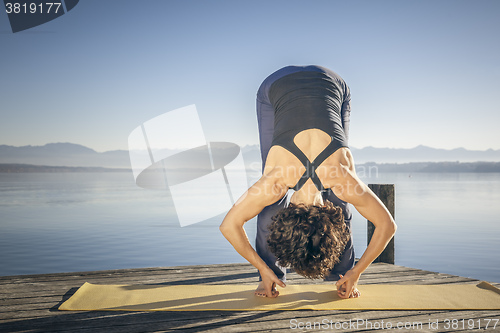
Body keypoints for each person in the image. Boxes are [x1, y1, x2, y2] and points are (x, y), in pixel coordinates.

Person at [219, 65, 396, 299]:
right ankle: (338, 276)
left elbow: (388, 226)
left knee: (335, 202)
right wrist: (356, 272)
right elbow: (228, 226)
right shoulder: (276, 183)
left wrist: (357, 271)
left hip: (326, 82)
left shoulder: (341, 181)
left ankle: (273, 276)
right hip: (297, 83)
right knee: (272, 204)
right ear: (288, 210)